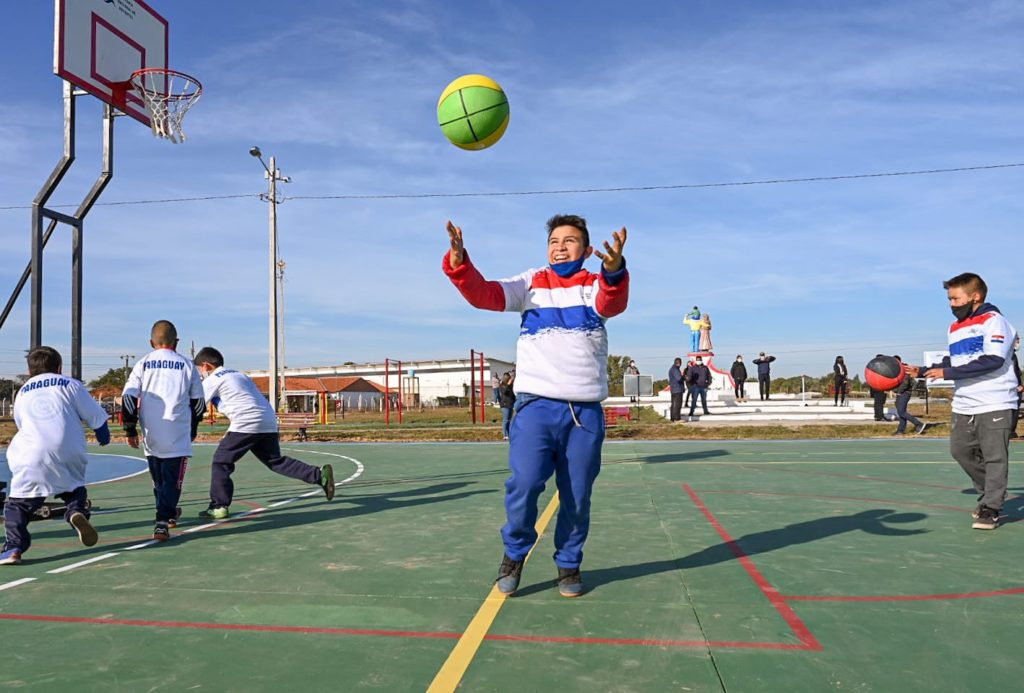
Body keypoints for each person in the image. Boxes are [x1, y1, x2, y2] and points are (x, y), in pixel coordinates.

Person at [443, 213, 629, 597]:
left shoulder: (595, 285)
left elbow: (612, 304)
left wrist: (614, 270)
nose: (560, 246)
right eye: (554, 241)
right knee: (524, 484)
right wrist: (460, 264)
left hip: (584, 413)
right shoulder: (531, 282)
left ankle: (569, 564)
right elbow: (486, 295)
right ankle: (514, 555)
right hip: (535, 407)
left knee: (577, 494)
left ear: (588, 249)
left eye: (570, 240)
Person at [905, 272, 1018, 530]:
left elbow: (993, 360)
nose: (951, 304)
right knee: (960, 451)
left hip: (995, 400)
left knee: (994, 457)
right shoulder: (955, 328)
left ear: (974, 296)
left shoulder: (994, 322)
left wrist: (946, 373)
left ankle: (991, 506)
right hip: (965, 402)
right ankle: (991, 492)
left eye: (955, 298)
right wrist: (924, 370)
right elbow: (958, 360)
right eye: (949, 299)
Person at [193, 347, 335, 519]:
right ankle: (319, 475)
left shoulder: (214, 379)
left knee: (221, 462)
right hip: (268, 420)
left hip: (246, 422)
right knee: (275, 460)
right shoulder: (240, 375)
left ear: (206, 366)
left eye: (199, 369)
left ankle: (219, 505)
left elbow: (196, 406)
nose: (200, 374)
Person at [1, 347, 110, 565]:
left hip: (30, 452)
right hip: (68, 450)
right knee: (74, 489)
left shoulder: (22, 391)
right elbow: (97, 418)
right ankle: (75, 512)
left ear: (29, 370)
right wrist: (103, 437)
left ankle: (13, 547)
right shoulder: (71, 385)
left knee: (18, 505)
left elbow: (22, 424)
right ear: (59, 367)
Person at [121, 320, 205, 542]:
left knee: (159, 481)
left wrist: (130, 429)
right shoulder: (187, 365)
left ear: (151, 342)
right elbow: (198, 404)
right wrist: (193, 429)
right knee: (172, 481)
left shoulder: (143, 364)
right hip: (177, 433)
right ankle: (162, 522)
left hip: (151, 433)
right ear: (176, 342)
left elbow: (129, 397)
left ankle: (169, 512)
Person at [891, 356, 926, 435]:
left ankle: (918, 424)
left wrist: (899, 391)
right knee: (901, 413)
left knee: (902, 412)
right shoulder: (897, 370)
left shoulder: (904, 369)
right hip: (900, 393)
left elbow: (905, 382)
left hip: (904, 393)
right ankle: (900, 430)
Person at [869, 354, 888, 421]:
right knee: (880, 403)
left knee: (877, 402)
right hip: (880, 387)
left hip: (874, 387)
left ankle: (877, 416)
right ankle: (880, 416)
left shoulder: (872, 366)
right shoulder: (882, 367)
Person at [498, 371, 516, 439]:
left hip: (510, 404)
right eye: (509, 378)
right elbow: (504, 392)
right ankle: (504, 434)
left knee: (509, 420)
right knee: (505, 420)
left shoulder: (511, 386)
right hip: (505, 404)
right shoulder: (502, 385)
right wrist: (508, 384)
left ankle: (508, 434)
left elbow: (512, 395)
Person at [1011, 336, 1022, 439]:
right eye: (1017, 340)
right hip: (1012, 390)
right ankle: (1010, 432)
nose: (1018, 342)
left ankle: (1011, 432)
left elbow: (1017, 372)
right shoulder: (1008, 355)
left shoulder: (1013, 355)